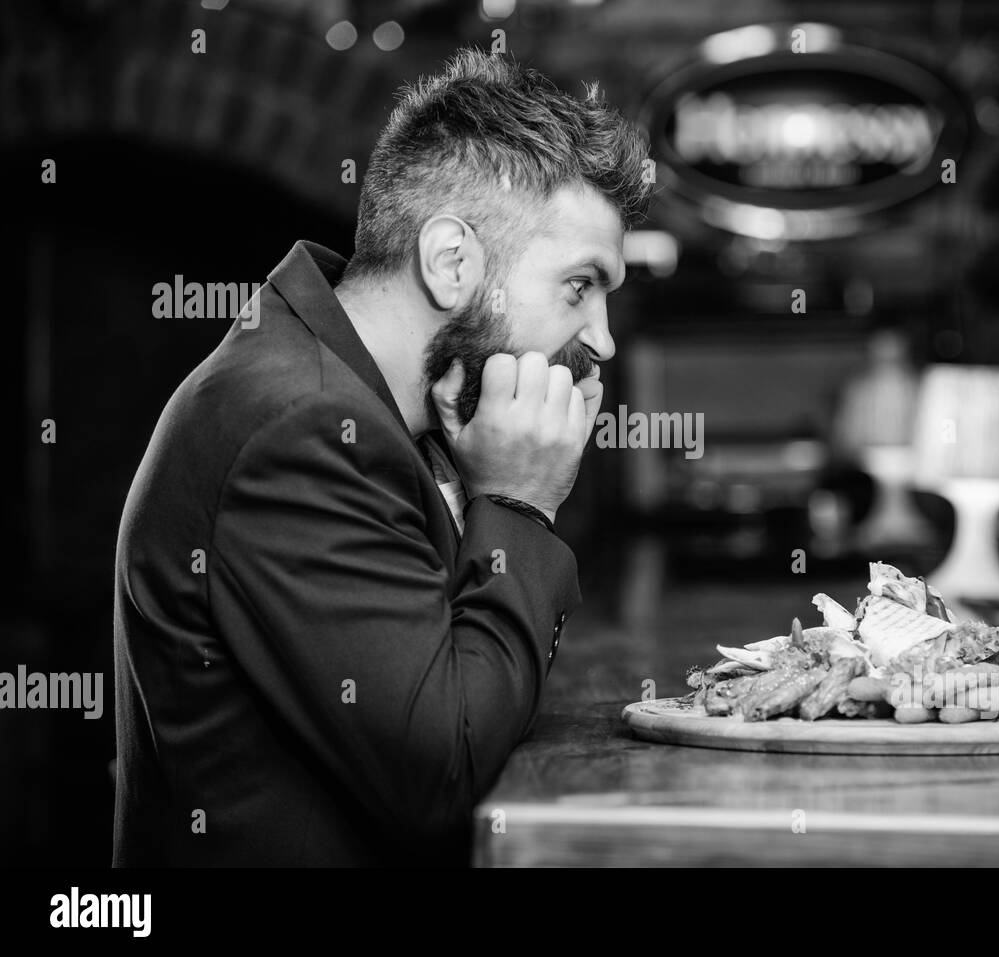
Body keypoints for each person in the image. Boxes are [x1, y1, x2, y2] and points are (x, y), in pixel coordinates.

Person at [112, 49, 651, 865]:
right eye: (581, 285)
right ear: (451, 262)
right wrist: (520, 504)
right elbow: (443, 773)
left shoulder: (364, 401)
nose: (603, 337)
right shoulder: (301, 427)